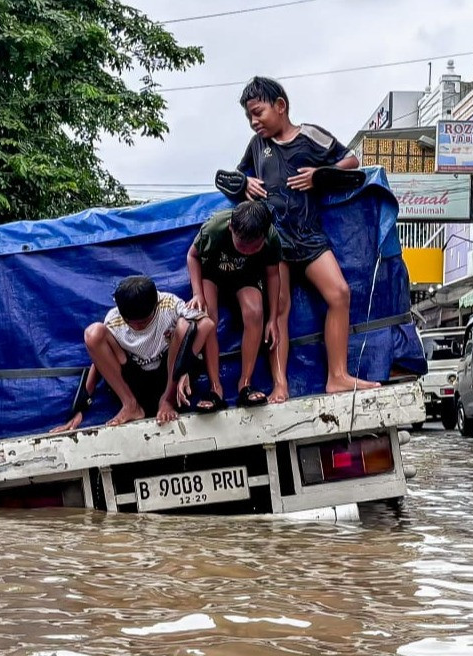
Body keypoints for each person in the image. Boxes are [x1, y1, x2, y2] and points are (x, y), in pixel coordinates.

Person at [234, 76, 378, 403]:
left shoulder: (310, 136)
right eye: (249, 117)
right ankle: (280, 384)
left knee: (339, 293)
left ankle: (337, 376)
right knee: (280, 310)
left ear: (280, 106)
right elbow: (239, 174)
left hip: (310, 235)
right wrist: (245, 184)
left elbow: (351, 161)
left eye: (258, 112)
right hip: (276, 242)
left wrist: (319, 175)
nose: (254, 122)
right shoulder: (258, 147)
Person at [53, 275, 222, 432]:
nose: (139, 327)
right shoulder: (114, 319)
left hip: (169, 375)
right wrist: (80, 408)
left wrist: (184, 368)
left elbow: (206, 324)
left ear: (155, 306)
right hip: (136, 379)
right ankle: (130, 405)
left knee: (185, 325)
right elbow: (99, 363)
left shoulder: (168, 304)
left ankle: (167, 401)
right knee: (93, 333)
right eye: (132, 323)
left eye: (144, 322)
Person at [185, 201, 281, 407]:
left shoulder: (272, 236)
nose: (246, 251)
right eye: (241, 245)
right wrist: (197, 293)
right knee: (207, 315)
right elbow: (192, 256)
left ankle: (245, 384)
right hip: (213, 273)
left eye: (253, 247)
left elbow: (273, 274)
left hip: (246, 275)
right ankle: (215, 388)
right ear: (231, 228)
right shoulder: (214, 228)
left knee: (255, 312)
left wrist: (272, 318)